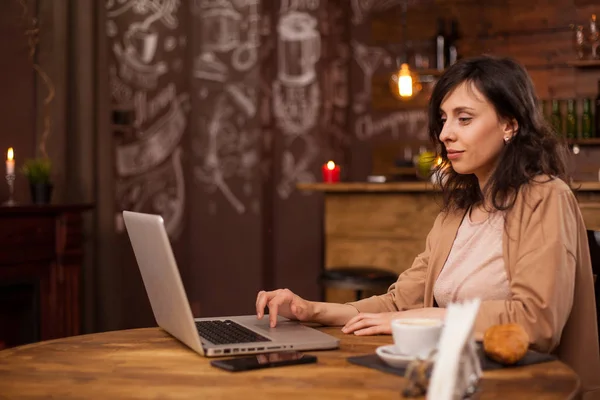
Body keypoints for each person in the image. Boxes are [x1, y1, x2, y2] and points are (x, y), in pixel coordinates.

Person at [255, 55, 600, 398]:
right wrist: (310, 310)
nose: (446, 133)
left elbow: (537, 322)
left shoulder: (546, 198)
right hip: (453, 383)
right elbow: (398, 303)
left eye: (463, 119)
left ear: (509, 125)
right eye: (443, 119)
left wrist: (430, 317)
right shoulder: (456, 213)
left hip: (528, 389)